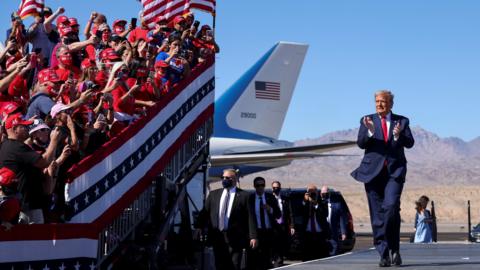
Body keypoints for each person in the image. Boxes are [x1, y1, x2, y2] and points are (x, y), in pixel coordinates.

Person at [351, 90, 415, 267]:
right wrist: (370, 132)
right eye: (377, 101)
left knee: (391, 207)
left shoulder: (402, 121)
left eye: (383, 102)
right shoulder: (367, 120)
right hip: (372, 173)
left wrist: (397, 135)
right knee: (377, 215)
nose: (380, 104)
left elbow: (410, 143)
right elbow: (361, 143)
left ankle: (394, 248)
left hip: (394, 172)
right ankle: (384, 252)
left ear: (391, 104)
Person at [0, 113, 61, 223]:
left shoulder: (6, 144)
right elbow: (44, 162)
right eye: (23, 126)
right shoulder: (17, 147)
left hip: (21, 203)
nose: (27, 128)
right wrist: (54, 140)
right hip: (27, 205)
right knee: (36, 237)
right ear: (15, 129)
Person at [197, 169, 257, 270]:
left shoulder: (245, 196)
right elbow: (205, 213)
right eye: (223, 178)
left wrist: (253, 236)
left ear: (235, 179)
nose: (224, 180)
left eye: (227, 178)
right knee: (219, 264)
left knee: (234, 264)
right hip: (218, 236)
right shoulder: (213, 195)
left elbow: (251, 217)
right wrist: (198, 226)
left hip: (236, 238)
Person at [247, 177, 280, 270]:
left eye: (262, 185)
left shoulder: (270, 197)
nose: (260, 187)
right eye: (258, 185)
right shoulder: (250, 199)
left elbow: (278, 214)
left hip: (269, 232)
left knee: (267, 258)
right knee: (255, 259)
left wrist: (271, 209)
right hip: (256, 232)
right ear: (254, 186)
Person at [301, 184, 331, 261]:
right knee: (308, 257)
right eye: (310, 192)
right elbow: (300, 213)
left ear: (317, 193)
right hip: (308, 233)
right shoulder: (305, 202)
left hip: (319, 233)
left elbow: (325, 214)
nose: (312, 194)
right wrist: (305, 201)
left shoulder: (322, 202)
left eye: (313, 192)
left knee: (320, 257)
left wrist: (316, 204)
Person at [271, 180, 295, 267]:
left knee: (282, 244)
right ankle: (274, 260)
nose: (276, 189)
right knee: (274, 245)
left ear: (280, 188)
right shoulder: (269, 199)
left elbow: (290, 213)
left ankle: (279, 262)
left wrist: (292, 226)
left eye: (277, 187)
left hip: (283, 226)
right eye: (274, 188)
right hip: (273, 227)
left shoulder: (285, 199)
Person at [320, 186, 348, 256]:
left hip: (333, 234)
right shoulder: (318, 204)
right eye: (322, 193)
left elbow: (341, 219)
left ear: (329, 193)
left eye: (325, 193)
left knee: (334, 253)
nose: (324, 195)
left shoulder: (337, 205)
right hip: (321, 235)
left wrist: (343, 232)